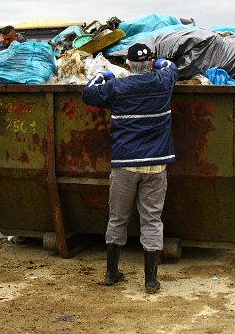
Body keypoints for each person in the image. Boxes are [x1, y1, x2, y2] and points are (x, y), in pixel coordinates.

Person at [81, 43, 178, 294]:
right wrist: (159, 63)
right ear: (151, 63)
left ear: (128, 65)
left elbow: (88, 93)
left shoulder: (117, 87)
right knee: (152, 219)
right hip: (156, 165)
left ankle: (111, 272)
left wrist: (103, 74)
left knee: (117, 218)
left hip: (125, 165)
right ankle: (150, 281)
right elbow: (171, 67)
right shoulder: (163, 82)